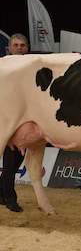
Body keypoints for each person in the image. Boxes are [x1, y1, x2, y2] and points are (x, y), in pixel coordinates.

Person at [0, 33, 29, 212]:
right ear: (9, 48)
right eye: (16, 45)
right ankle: (9, 198)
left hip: (20, 122)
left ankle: (4, 194)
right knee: (11, 162)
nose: (19, 48)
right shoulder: (2, 67)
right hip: (6, 120)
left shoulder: (32, 69)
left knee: (13, 162)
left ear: (27, 48)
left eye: (22, 45)